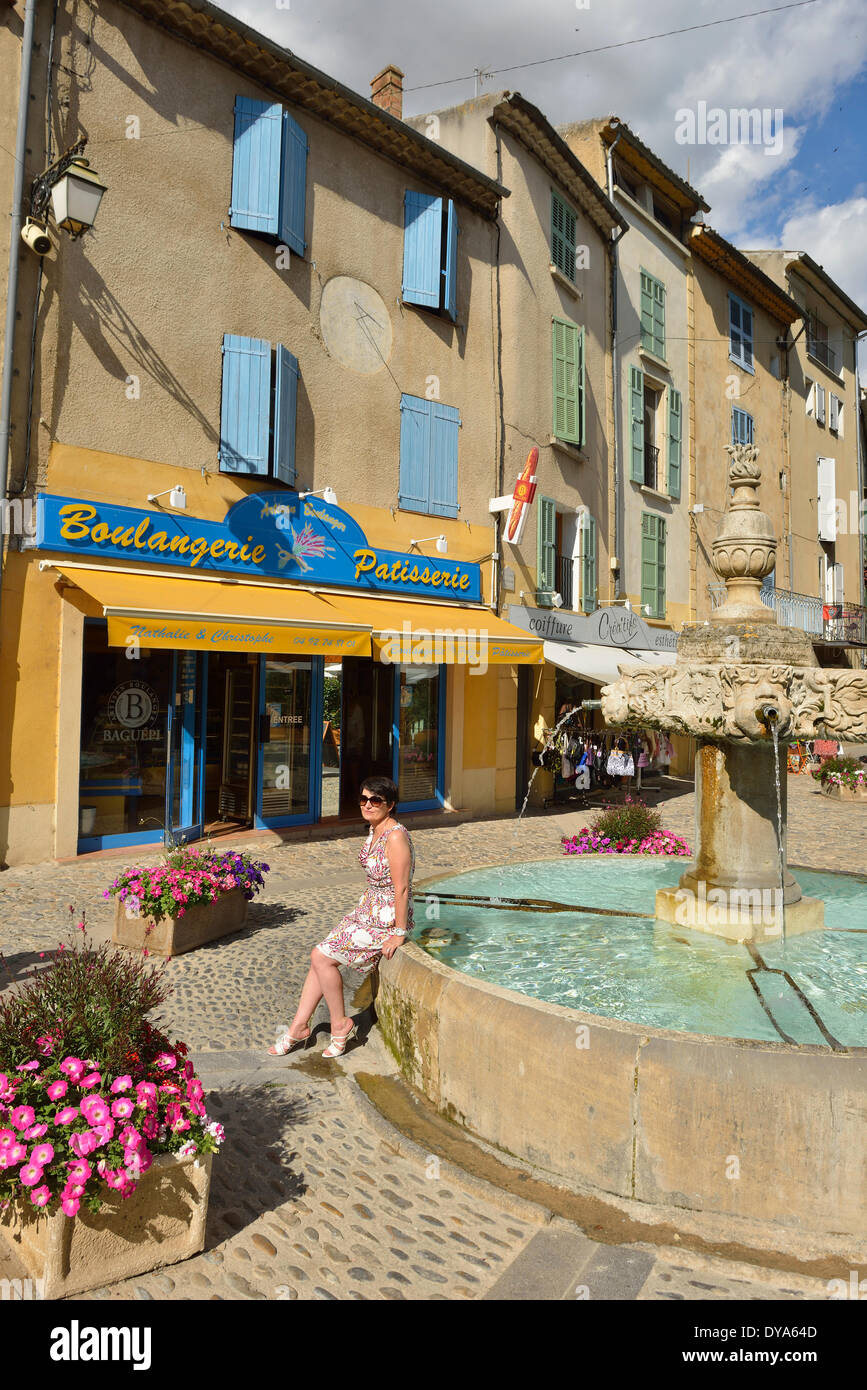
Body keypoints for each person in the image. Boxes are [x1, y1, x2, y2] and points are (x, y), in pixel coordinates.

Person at [269, 775, 414, 1059]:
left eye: (376, 800)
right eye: (363, 799)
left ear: (391, 804)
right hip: (367, 909)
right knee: (319, 958)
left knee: (322, 958)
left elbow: (402, 887)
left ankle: (340, 1025)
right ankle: (299, 1026)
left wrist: (399, 931)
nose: (368, 805)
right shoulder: (374, 830)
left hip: (384, 918)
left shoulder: (395, 836)